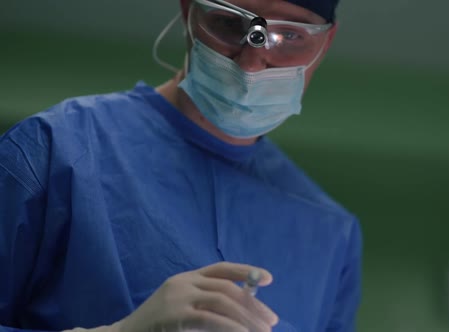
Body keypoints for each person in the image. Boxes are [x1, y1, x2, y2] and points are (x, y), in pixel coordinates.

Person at [0, 0, 362, 331]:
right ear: (189, 12)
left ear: (325, 43)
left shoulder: (331, 234)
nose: (252, 64)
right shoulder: (55, 150)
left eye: (289, 35)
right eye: (228, 23)